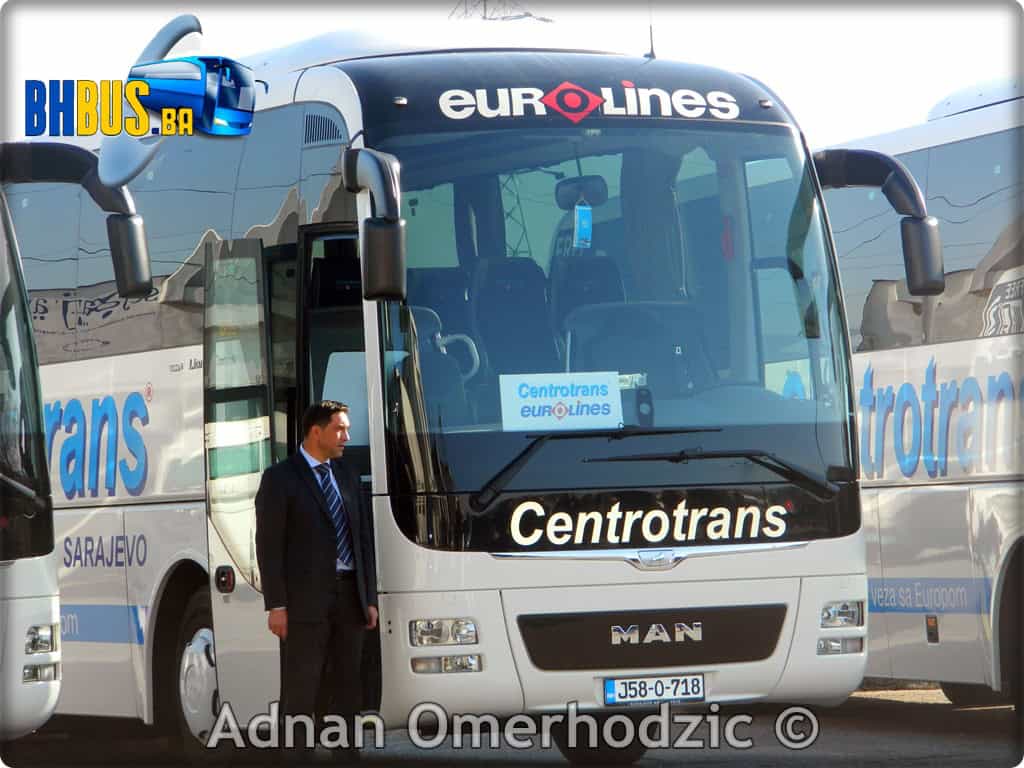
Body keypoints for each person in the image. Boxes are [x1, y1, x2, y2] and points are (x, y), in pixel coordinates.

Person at [255, 400, 378, 763]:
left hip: (349, 597)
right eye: (339, 429)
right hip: (304, 602)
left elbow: (363, 539)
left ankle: (347, 754)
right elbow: (269, 546)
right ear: (316, 432)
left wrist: (369, 597)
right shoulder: (280, 478)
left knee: (348, 685)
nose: (346, 437)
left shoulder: (348, 476)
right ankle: (297, 755)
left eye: (347, 429)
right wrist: (277, 605)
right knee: (302, 687)